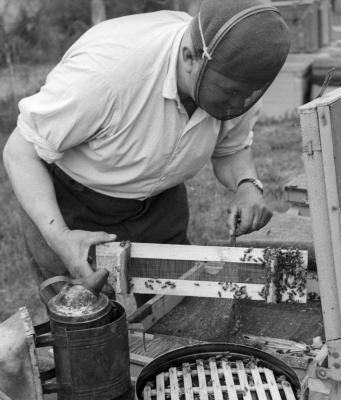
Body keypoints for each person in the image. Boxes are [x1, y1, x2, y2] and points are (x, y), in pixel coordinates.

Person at [3, 0, 290, 301]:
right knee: (83, 319)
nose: (239, 104)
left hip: (159, 204)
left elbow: (231, 148)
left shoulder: (240, 79)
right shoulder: (106, 75)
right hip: (72, 202)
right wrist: (60, 237)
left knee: (179, 311)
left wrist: (247, 185)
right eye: (229, 93)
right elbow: (20, 150)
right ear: (190, 58)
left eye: (249, 95)